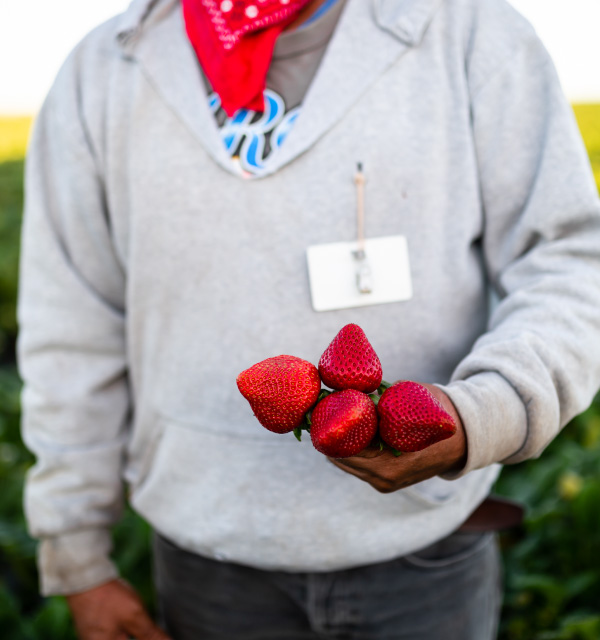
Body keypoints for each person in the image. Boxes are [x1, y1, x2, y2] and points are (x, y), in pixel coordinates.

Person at [17, 0, 600, 638]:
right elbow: (71, 325)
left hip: (425, 552)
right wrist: (75, 555)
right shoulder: (104, 70)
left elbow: (569, 265)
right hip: (208, 558)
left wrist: (485, 414)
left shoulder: (469, 32)